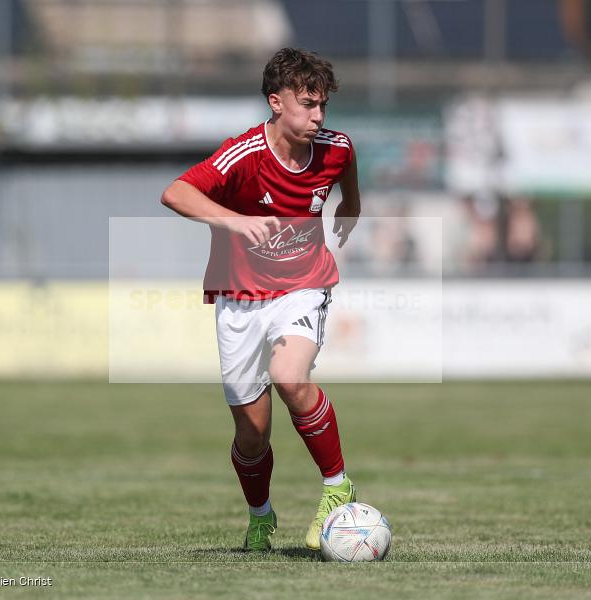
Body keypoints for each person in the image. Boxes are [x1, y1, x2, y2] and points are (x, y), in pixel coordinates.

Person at [160, 47, 361, 552]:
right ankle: (260, 516)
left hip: (303, 285)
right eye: (307, 105)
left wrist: (351, 209)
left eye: (323, 106)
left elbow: (348, 178)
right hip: (239, 297)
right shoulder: (244, 153)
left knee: (291, 377)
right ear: (276, 102)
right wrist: (237, 221)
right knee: (252, 434)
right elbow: (176, 192)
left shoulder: (336, 148)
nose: (318, 116)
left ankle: (338, 488)